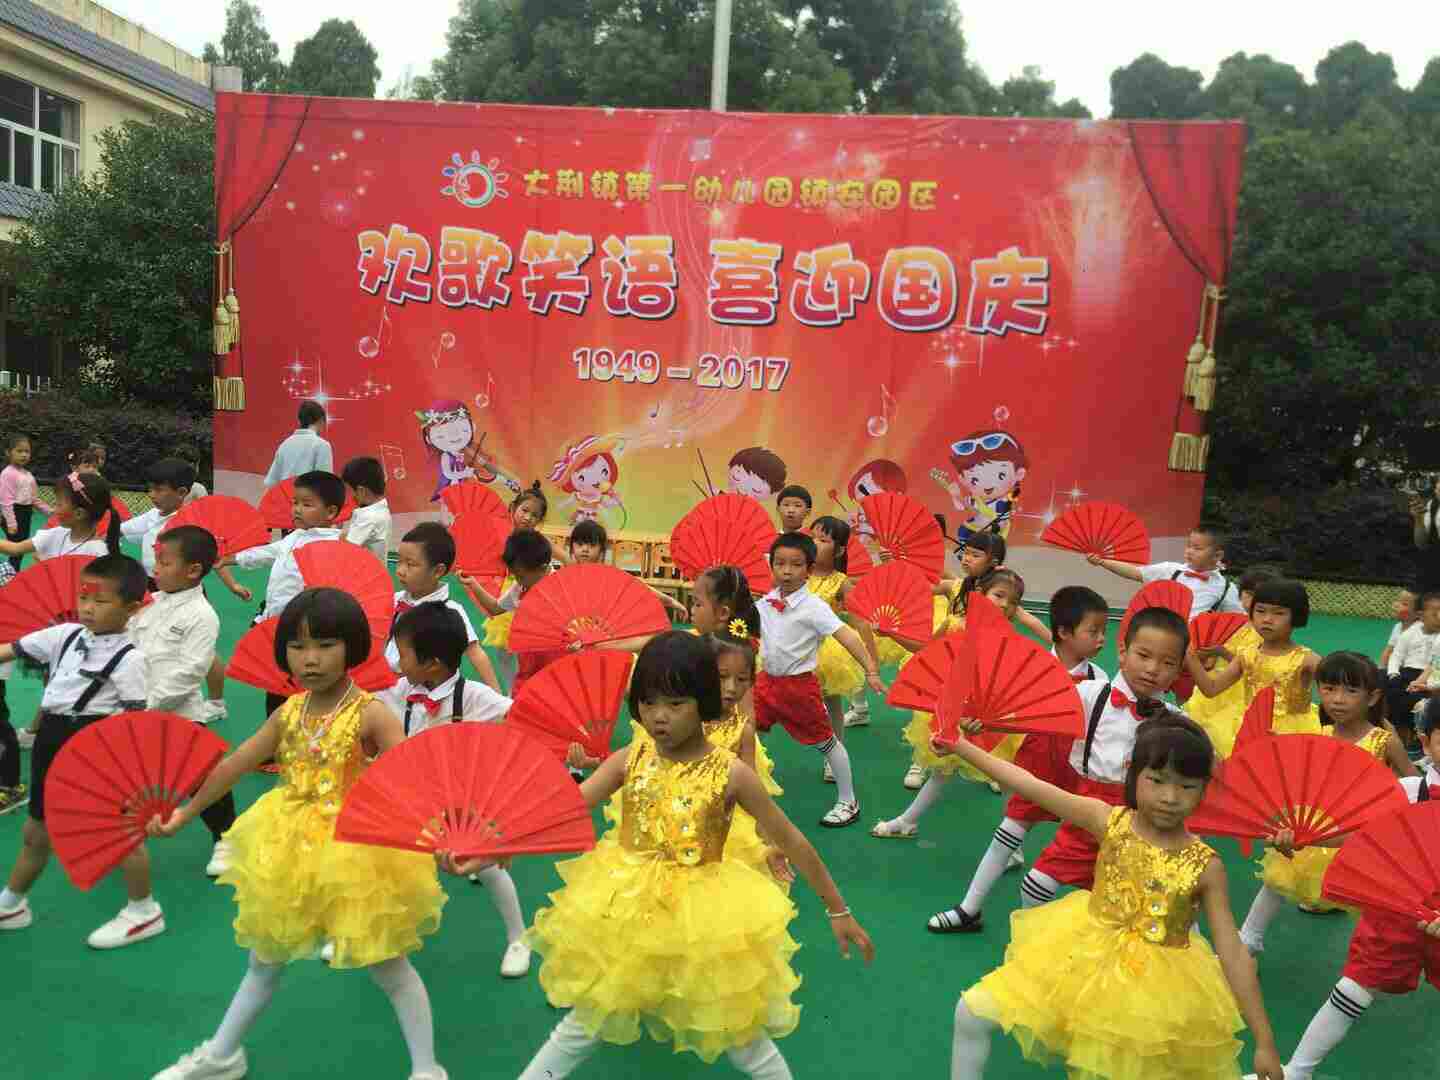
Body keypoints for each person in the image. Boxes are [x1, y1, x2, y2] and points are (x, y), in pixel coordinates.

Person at [447, 631, 873, 1079]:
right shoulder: (630, 758)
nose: (659, 716)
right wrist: (493, 848)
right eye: (648, 702)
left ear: (704, 700)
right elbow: (566, 808)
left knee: (741, 1035)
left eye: (675, 703)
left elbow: (792, 840)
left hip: (703, 920)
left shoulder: (732, 774)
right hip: (629, 912)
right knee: (585, 1022)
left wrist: (838, 910)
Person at [146, 588, 447, 1080]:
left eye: (325, 645)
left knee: (388, 966)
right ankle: (221, 1056)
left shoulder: (371, 712)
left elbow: (411, 779)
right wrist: (186, 811)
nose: (310, 659)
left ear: (352, 647)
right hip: (288, 847)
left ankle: (427, 1068)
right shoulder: (289, 711)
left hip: (357, 852)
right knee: (263, 962)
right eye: (298, 646)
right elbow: (235, 764)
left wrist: (438, 838)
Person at [942, 714, 1283, 1080]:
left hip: (1154, 995)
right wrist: (959, 745)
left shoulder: (1207, 866)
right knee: (971, 1013)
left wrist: (1265, 1043)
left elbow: (1233, 953)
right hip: (1081, 956)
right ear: (1133, 776)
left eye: (1187, 786)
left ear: (1204, 791)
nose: (1170, 797)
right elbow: (1029, 785)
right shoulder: (1107, 820)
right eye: (1156, 780)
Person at [1247, 698, 1440, 1080]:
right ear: (1425, 741)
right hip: (1399, 911)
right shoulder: (1406, 790)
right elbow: (1357, 830)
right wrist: (1304, 838)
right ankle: (1297, 1071)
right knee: (1353, 987)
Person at [925, 584, 1110, 933]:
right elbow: (1002, 712)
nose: (1102, 638)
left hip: (1080, 770)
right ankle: (969, 908)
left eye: (1103, 631)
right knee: (1008, 831)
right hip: (1037, 764)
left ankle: (1099, 926)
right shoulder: (1030, 668)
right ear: (1063, 632)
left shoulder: (1099, 679)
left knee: (1094, 849)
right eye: (1094, 631)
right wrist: (978, 723)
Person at [0, 555, 162, 948]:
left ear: (132, 608)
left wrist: (128, 772)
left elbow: (134, 722)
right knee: (36, 829)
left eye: (100, 601)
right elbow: (9, 650)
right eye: (83, 597)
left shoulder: (131, 658)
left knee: (119, 833)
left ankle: (144, 911)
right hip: (50, 740)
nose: (88, 607)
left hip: (96, 746)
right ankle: (12, 904)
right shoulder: (66, 634)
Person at [377, 602, 528, 978]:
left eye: (402, 653)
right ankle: (371, 931)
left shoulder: (474, 697)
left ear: (432, 664)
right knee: (386, 864)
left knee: (489, 868)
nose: (395, 660)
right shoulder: (398, 690)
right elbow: (370, 709)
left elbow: (520, 716)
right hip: (409, 798)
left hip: (460, 804)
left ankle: (518, 938)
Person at [1015, 606, 1194, 911]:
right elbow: (1035, 713)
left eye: (1167, 663)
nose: (1153, 669)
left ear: (1178, 671)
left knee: (1138, 903)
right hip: (1087, 810)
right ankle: (1038, 936)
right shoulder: (1089, 694)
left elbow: (1203, 774)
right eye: (1144, 655)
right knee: (1037, 883)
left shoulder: (1178, 723)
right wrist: (982, 726)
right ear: (1123, 652)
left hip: (1141, 820)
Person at [1237, 652, 1416, 954]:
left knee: (1371, 902)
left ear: (1372, 697)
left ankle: (1373, 958)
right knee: (1277, 880)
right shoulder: (1318, 734)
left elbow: (1412, 783)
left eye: (1351, 690)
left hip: (1360, 837)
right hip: (1315, 829)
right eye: (1329, 689)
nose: (1338, 699)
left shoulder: (1383, 741)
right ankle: (1248, 938)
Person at [872, 569, 1033, 840]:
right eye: (999, 595)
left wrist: (986, 718)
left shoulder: (1009, 640)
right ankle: (907, 821)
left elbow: (1006, 685)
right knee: (942, 769)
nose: (1005, 604)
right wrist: (892, 634)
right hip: (953, 710)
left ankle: (1011, 845)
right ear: (979, 594)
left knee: (1007, 779)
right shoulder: (955, 624)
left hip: (987, 720)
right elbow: (926, 651)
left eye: (1013, 601)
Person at [128, 526, 240, 879]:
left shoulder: (202, 615)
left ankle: (226, 838)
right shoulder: (149, 603)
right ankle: (124, 837)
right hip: (132, 709)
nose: (155, 568)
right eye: (156, 561)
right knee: (124, 773)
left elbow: (191, 672)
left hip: (178, 714)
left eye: (164, 562)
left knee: (203, 778)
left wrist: (148, 703)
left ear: (193, 570)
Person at [755, 531, 884, 828]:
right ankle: (740, 794)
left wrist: (871, 670)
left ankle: (848, 801)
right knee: (743, 734)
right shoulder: (766, 601)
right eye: (780, 564)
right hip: (764, 684)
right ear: (771, 566)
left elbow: (848, 635)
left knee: (827, 743)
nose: (787, 571)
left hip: (798, 688)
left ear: (809, 570)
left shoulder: (814, 607)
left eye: (796, 564)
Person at [124, 457, 248, 723]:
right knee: (152, 638)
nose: (152, 495)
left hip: (186, 587)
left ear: (181, 492)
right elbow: (123, 530)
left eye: (159, 490)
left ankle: (216, 701)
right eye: (150, 488)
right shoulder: (152, 516)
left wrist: (232, 584)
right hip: (154, 585)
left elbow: (211, 558)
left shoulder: (191, 523)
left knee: (205, 653)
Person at [220, 470, 345, 721]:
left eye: (307, 504)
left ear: (331, 512)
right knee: (275, 681)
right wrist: (230, 559)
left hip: (303, 627)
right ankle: (277, 729)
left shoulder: (334, 545)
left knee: (296, 685)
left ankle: (296, 727)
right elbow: (266, 552)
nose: (297, 509)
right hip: (275, 622)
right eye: (295, 502)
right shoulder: (295, 536)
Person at [1184, 580, 1323, 757]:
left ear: (1296, 617)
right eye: (1260, 611)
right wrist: (1190, 656)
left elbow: (1335, 688)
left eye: (1279, 613)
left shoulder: (1307, 659)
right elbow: (1211, 689)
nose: (1267, 619)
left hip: (1294, 733)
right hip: (1250, 729)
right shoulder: (1246, 655)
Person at [386, 522, 500, 692]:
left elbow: (475, 653)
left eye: (410, 564)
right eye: (399, 561)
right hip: (390, 686)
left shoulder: (450, 611)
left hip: (426, 691)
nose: (400, 570)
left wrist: (497, 694)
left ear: (438, 571)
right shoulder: (394, 600)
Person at [806, 516, 878, 782]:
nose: (815, 543)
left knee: (831, 704)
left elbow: (860, 621)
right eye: (812, 537)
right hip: (794, 647)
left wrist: (871, 661)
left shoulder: (840, 582)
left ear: (838, 551)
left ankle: (834, 757)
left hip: (826, 652)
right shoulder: (797, 572)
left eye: (823, 540)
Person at [472, 483, 559, 692]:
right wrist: (473, 582)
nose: (528, 518)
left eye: (534, 515)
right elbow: (496, 607)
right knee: (508, 657)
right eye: (524, 510)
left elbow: (563, 559)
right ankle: (511, 695)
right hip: (511, 601)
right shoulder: (519, 586)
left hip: (544, 643)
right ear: (513, 509)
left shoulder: (542, 554)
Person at [1186, 564, 1280, 747]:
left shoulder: (1267, 632)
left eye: (1260, 596)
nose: (1252, 601)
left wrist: (1221, 652)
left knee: (1228, 735)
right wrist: (1207, 656)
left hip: (1243, 692)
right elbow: (1213, 659)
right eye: (1248, 594)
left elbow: (1254, 666)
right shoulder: (1234, 623)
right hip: (1217, 682)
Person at [1088, 524, 1246, 618]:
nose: (1189, 551)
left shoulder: (1226, 588)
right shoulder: (1170, 570)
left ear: (1217, 555)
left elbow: (1239, 621)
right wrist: (1102, 562)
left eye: (1197, 548)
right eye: (1189, 546)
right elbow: (1136, 573)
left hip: (1195, 653)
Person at [1384, 588, 1440, 747]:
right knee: (1391, 689)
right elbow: (1396, 655)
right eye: (1434, 612)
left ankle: (1415, 738)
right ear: (1421, 615)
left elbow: (1434, 667)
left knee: (1413, 698)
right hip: (1408, 673)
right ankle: (1394, 732)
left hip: (1428, 678)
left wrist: (1424, 684)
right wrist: (1393, 674)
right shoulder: (1410, 633)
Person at [1, 433, 51, 572]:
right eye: (19, 451)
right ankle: (12, 574)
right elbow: (6, 501)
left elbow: (33, 498)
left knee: (21, 546)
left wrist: (49, 510)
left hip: (25, 513)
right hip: (14, 513)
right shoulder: (7, 474)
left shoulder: (28, 475)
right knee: (16, 547)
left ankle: (12, 572)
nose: (24, 455)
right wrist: (11, 523)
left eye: (27, 451)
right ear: (8, 452)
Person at [263, 400, 332, 487]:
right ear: (321, 421)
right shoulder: (322, 445)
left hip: (285, 494)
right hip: (307, 495)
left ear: (299, 421)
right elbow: (325, 483)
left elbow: (270, 482)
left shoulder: (285, 444)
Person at [340, 456, 391, 565]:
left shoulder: (369, 517)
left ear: (361, 491)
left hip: (367, 571)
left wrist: (333, 532)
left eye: (350, 491)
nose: (350, 496)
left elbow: (347, 548)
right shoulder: (379, 508)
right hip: (374, 568)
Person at [1409, 476, 1440, 595]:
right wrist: (1418, 519)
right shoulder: (1432, 505)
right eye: (1437, 484)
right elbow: (1421, 544)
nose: (1437, 488)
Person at [1378, 586, 1417, 671]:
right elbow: (1388, 651)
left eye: (1404, 604)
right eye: (1398, 601)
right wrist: (1380, 670)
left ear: (1418, 613)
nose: (1396, 605)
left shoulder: (1419, 632)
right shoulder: (1398, 626)